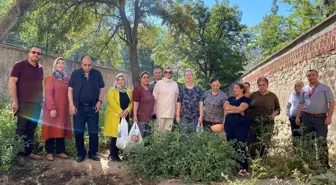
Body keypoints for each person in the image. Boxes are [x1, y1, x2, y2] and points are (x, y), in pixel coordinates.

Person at [9, 46, 44, 165]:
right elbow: (12, 83)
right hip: (23, 103)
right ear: (29, 53)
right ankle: (18, 155)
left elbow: (40, 86)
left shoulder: (40, 68)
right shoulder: (19, 65)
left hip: (36, 105)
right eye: (33, 52)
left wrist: (41, 100)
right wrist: (15, 101)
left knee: (31, 129)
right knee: (21, 129)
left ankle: (28, 152)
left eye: (38, 53)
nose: (36, 54)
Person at [68, 56, 105, 162]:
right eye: (85, 65)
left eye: (89, 65)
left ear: (92, 64)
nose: (87, 67)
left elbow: (102, 89)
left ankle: (93, 153)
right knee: (78, 132)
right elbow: (70, 90)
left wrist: (99, 101)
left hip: (93, 108)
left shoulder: (97, 74)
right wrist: (71, 104)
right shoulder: (75, 74)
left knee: (93, 132)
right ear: (81, 64)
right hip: (78, 108)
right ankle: (80, 153)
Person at [296, 70, 335, 169]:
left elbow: (331, 102)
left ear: (317, 76)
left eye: (313, 75)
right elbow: (301, 103)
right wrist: (297, 116)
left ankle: (324, 166)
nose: (311, 77)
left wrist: (329, 117)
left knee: (321, 141)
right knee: (308, 141)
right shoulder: (304, 89)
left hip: (320, 119)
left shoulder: (325, 88)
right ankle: (311, 165)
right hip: (306, 117)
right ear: (307, 77)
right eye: (309, 75)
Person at [41, 57, 72, 161]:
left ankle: (60, 151)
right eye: (58, 63)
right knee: (50, 129)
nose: (61, 65)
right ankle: (49, 152)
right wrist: (52, 108)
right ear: (55, 65)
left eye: (62, 63)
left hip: (63, 109)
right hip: (52, 109)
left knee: (60, 129)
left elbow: (70, 93)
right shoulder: (50, 78)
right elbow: (48, 94)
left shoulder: (67, 79)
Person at [248, 77, 280, 160]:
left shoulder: (273, 96)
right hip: (253, 124)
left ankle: (263, 162)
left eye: (263, 85)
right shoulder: (253, 95)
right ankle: (253, 162)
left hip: (267, 124)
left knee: (265, 143)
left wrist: (273, 115)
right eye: (260, 85)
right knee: (252, 143)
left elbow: (278, 109)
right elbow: (246, 106)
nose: (261, 87)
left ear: (267, 85)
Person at [224, 83, 251, 176]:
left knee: (240, 145)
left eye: (236, 88)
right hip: (229, 126)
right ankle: (234, 167)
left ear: (242, 89)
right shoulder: (230, 99)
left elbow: (241, 108)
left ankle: (243, 168)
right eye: (234, 88)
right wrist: (236, 109)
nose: (234, 90)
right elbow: (225, 107)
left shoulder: (245, 99)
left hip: (240, 126)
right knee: (231, 145)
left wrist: (231, 110)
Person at [104, 73, 132, 161]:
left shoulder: (128, 91)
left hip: (124, 116)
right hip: (115, 116)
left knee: (122, 135)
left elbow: (131, 102)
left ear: (124, 81)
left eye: (122, 79)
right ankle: (113, 155)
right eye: (118, 79)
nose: (120, 81)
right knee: (115, 135)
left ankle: (117, 154)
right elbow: (111, 101)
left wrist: (127, 110)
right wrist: (120, 112)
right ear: (116, 81)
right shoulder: (112, 90)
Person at [153, 67, 179, 132]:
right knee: (158, 133)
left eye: (169, 72)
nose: (168, 73)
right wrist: (154, 111)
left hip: (170, 113)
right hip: (160, 112)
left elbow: (176, 100)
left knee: (167, 134)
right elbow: (155, 98)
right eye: (166, 72)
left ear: (172, 73)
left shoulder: (175, 84)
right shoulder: (159, 83)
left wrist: (176, 113)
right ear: (163, 73)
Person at [133, 72, 155, 137]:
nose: (146, 79)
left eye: (147, 77)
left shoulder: (150, 89)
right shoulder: (137, 89)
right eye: (144, 77)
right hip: (140, 119)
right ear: (141, 79)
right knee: (139, 138)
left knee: (146, 138)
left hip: (149, 118)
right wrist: (135, 116)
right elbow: (135, 103)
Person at [285, 81, 304, 147]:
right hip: (293, 119)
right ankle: (296, 154)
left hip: (303, 119)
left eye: (299, 86)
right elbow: (288, 105)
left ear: (303, 87)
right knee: (295, 137)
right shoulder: (292, 95)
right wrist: (288, 115)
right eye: (295, 86)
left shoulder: (306, 95)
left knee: (303, 136)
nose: (296, 88)